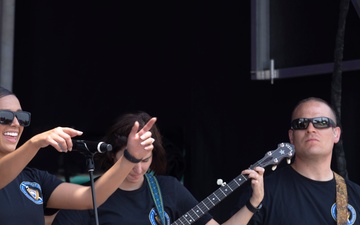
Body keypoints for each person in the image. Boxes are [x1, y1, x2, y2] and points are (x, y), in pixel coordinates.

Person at [52, 111, 265, 225]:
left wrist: (252, 204)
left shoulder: (169, 189)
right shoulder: (88, 196)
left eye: (145, 160)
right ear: (112, 154)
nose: (137, 169)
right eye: (131, 159)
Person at [0, 86, 157, 225]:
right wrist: (34, 143)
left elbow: (89, 198)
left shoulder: (33, 178)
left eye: (21, 117)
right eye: (5, 116)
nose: (16, 123)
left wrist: (130, 158)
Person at [232, 97, 360, 225]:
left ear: (336, 134)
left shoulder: (355, 195)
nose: (310, 129)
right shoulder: (261, 192)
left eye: (321, 122)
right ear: (291, 136)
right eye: (301, 124)